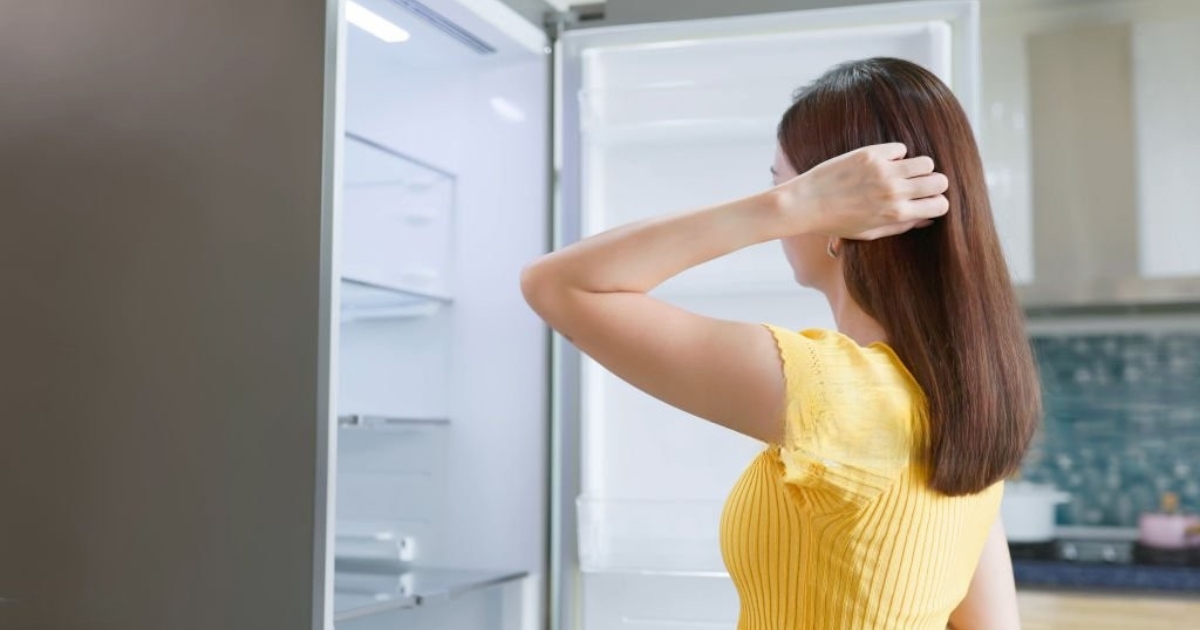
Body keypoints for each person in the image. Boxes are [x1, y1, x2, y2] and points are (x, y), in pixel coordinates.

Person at [522, 57, 1039, 630]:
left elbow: (557, 284)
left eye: (790, 186)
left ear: (839, 213)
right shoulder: (968, 402)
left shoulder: (841, 395)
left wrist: (788, 206)